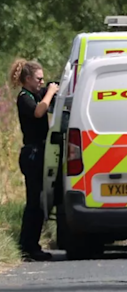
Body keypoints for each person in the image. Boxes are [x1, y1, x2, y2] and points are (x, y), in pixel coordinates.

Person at [9, 58, 59, 261]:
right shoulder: (24, 97)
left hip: (39, 152)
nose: (41, 82)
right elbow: (39, 111)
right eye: (38, 79)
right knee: (34, 203)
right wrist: (50, 92)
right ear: (27, 78)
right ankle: (28, 246)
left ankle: (30, 244)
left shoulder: (35, 93)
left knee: (39, 202)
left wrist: (51, 89)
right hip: (32, 154)